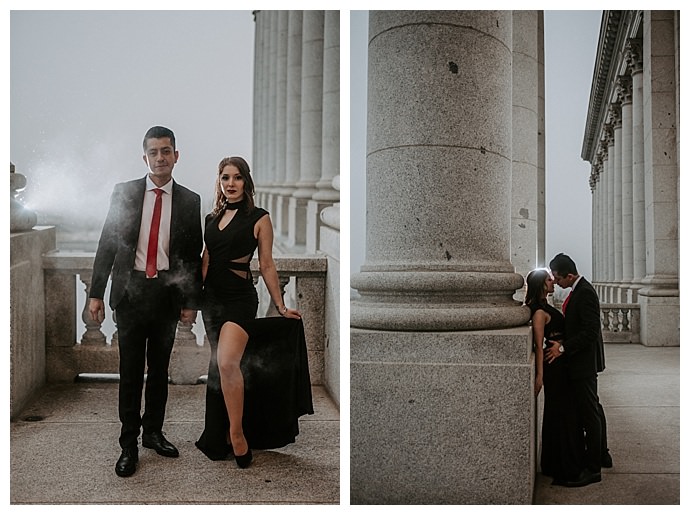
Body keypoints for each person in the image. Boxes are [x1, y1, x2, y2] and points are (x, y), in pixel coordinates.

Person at [88, 126, 203, 477]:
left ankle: (153, 432)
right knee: (130, 373)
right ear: (145, 157)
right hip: (130, 294)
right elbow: (107, 242)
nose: (160, 158)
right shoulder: (124, 193)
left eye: (166, 151)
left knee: (159, 371)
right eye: (153, 152)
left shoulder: (189, 200)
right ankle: (128, 444)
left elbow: (192, 255)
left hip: (166, 295)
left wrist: (190, 301)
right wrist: (95, 292)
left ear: (176, 155)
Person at [195, 156, 313, 468]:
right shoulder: (211, 218)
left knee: (227, 362)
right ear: (219, 182)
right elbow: (206, 259)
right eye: (225, 178)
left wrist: (280, 305)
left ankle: (237, 435)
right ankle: (219, 432)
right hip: (212, 301)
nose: (230, 184)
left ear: (246, 181)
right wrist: (193, 301)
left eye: (236, 178)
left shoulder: (260, 218)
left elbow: (267, 264)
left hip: (239, 300)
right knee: (220, 367)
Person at [545, 253, 612, 487]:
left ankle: (593, 469)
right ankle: (602, 454)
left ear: (570, 275)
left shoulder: (584, 293)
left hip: (583, 364)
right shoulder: (579, 290)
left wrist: (563, 347)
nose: (556, 281)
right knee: (594, 407)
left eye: (557, 277)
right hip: (582, 362)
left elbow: (591, 331)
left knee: (589, 414)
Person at [525, 268, 585, 486]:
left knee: (561, 413)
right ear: (541, 284)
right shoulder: (539, 312)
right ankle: (561, 464)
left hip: (560, 364)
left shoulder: (544, 307)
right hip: (554, 369)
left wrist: (561, 345)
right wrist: (540, 376)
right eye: (549, 280)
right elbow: (540, 346)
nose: (553, 282)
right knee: (561, 414)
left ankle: (554, 461)